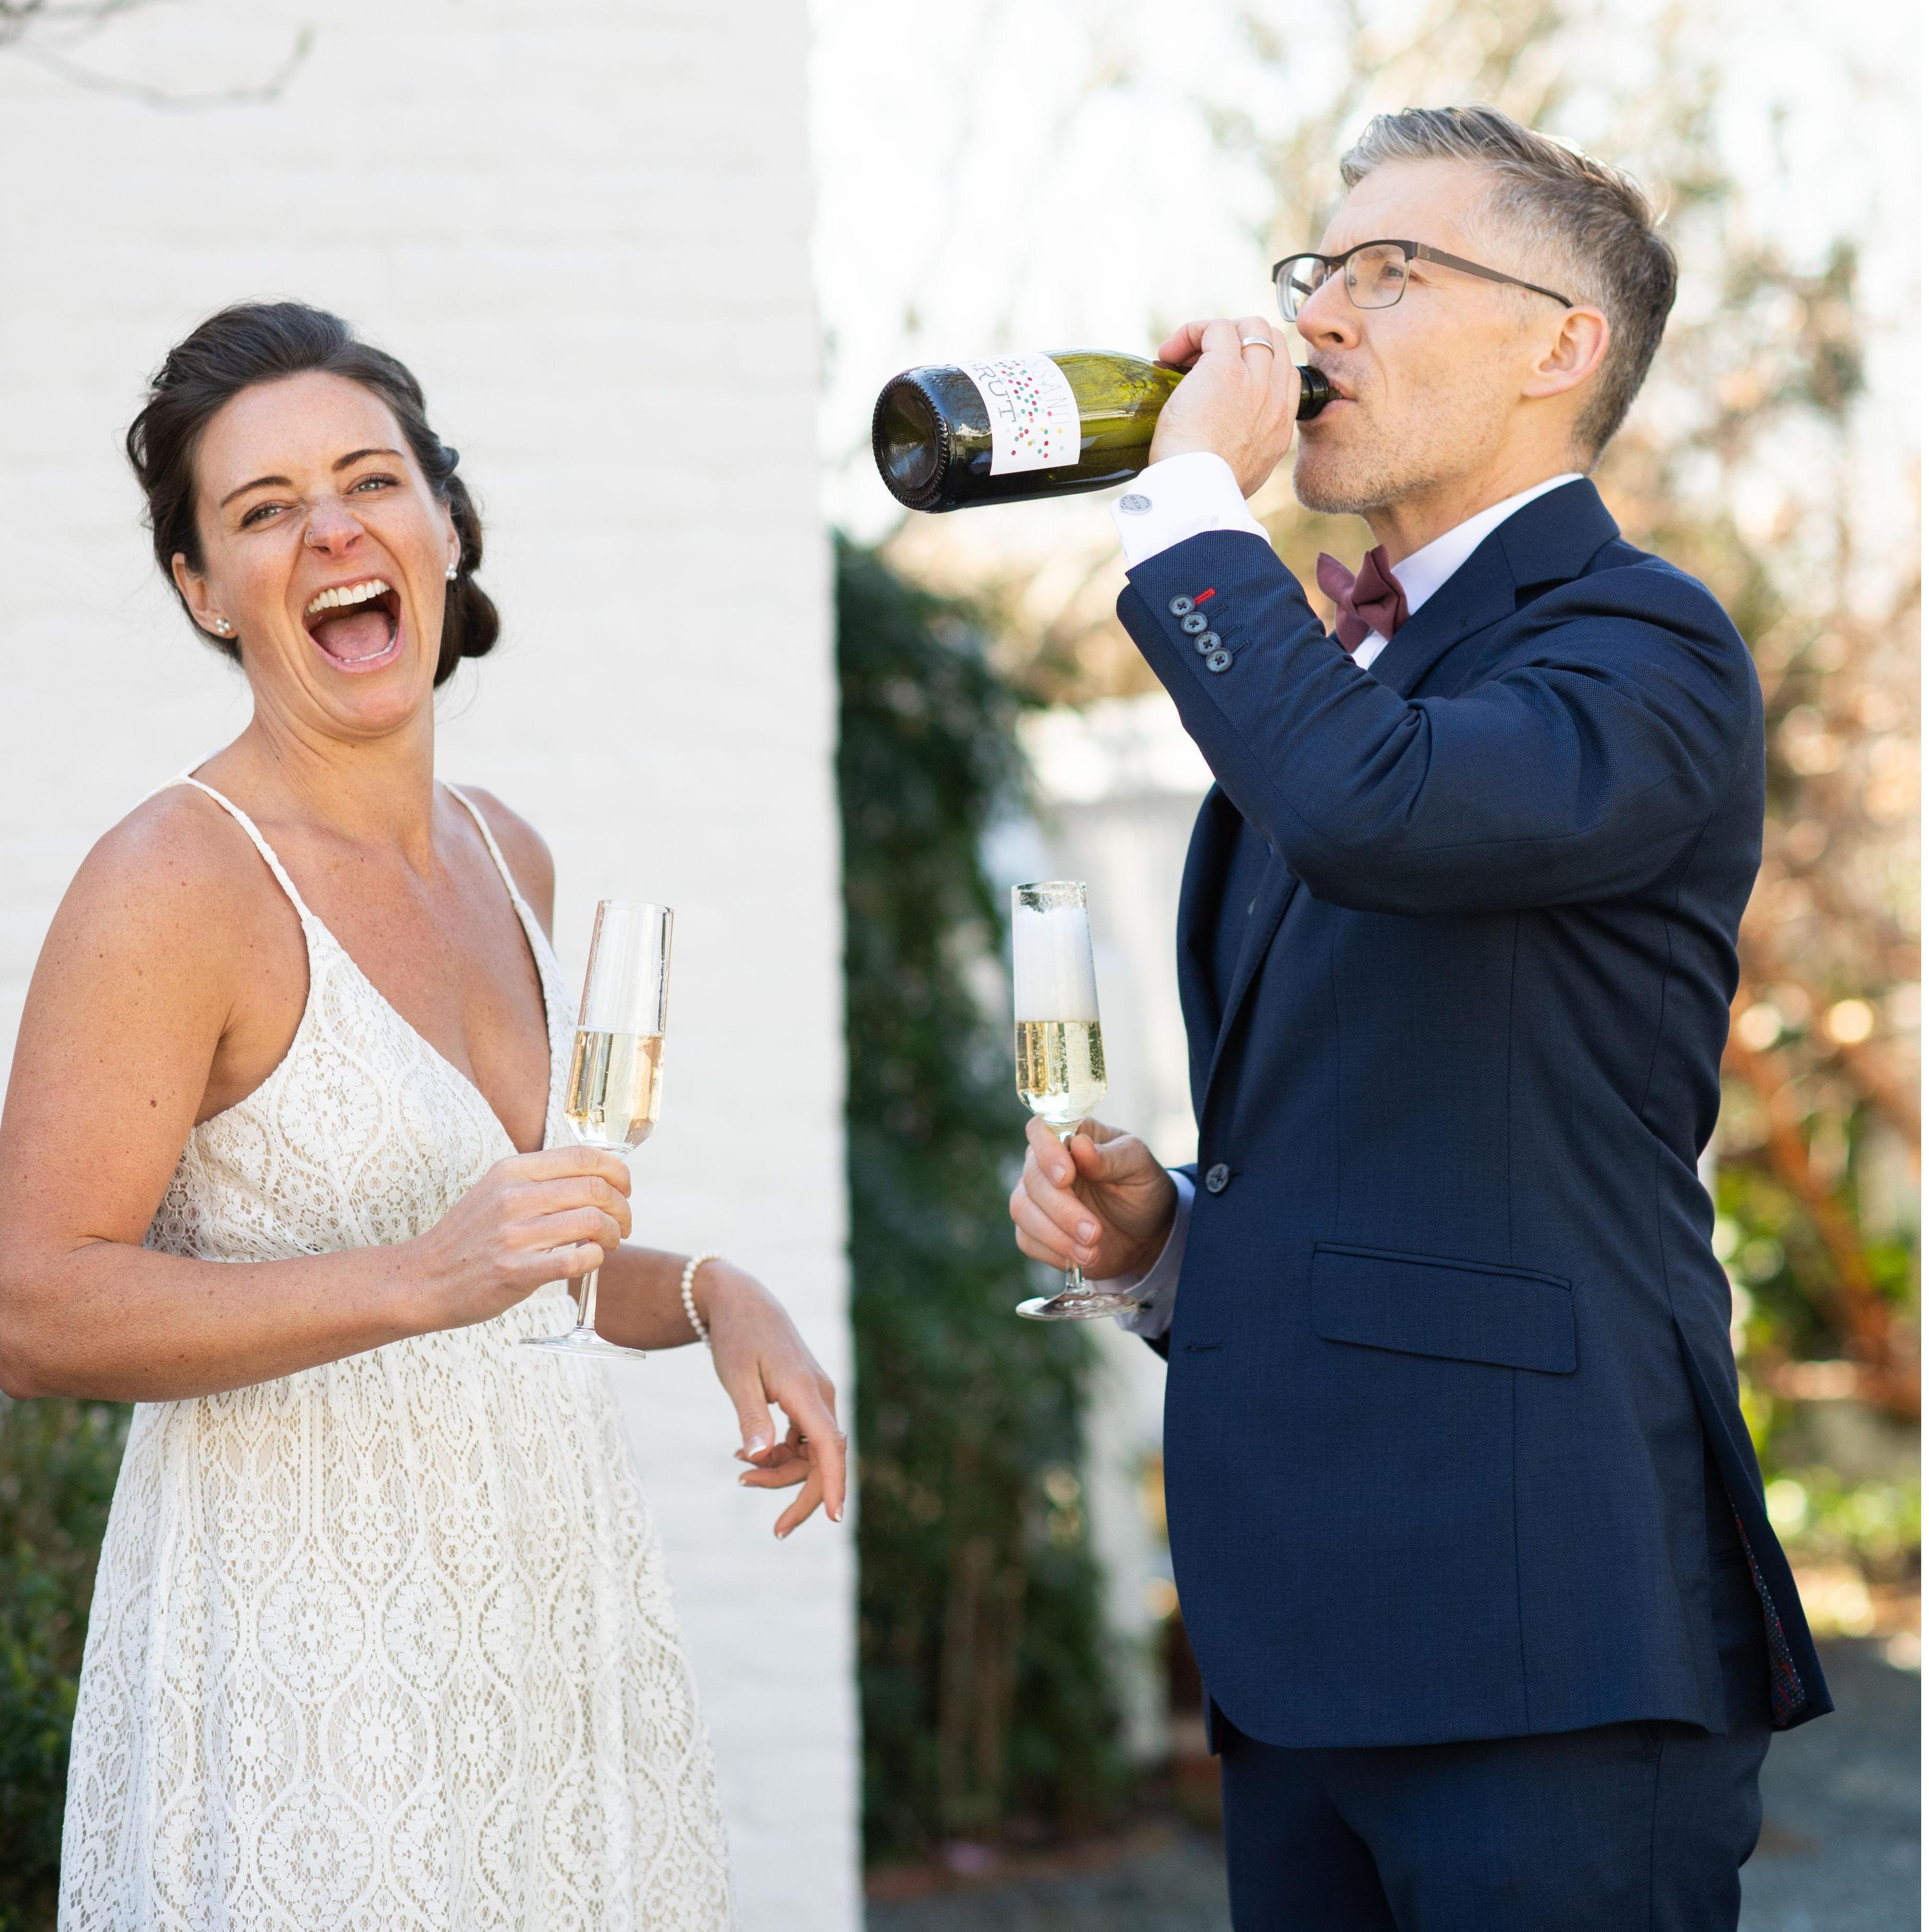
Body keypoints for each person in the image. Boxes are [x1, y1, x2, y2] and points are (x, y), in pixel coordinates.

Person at [1008, 106, 1830, 1931]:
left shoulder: (1644, 648)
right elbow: (1390, 1136)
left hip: (1545, 1637)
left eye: (1396, 272)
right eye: (1321, 271)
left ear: (1563, 346)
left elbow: (1371, 809)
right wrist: (1172, 1247)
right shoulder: (1345, 682)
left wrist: (1184, 510)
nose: (1320, 323)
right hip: (1307, 1656)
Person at [0, 301, 844, 1931]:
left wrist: (711, 1291)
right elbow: (33, 1306)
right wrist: (413, 1279)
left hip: (545, 1615)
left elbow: (528, 1260)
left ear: (443, 522)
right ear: (203, 589)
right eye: (260, 511)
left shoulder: (506, 854)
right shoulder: (172, 879)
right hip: (304, 1662)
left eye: (368, 479)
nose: (330, 528)